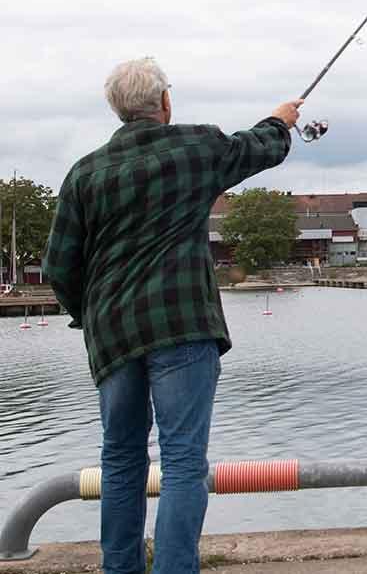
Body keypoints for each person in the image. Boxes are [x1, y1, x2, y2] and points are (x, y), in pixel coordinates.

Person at [43, 57, 304, 574]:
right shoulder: (195, 148)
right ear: (165, 103)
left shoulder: (85, 174)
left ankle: (120, 569)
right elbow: (259, 148)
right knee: (183, 461)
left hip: (113, 336)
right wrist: (281, 119)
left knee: (120, 460)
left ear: (117, 110)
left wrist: (87, 316)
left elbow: (59, 266)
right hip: (183, 327)